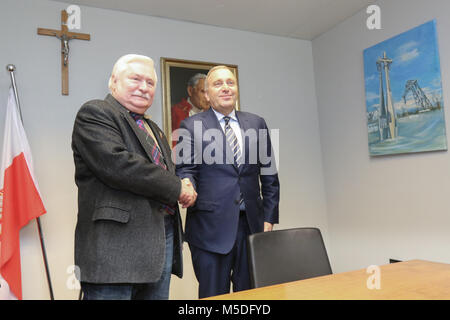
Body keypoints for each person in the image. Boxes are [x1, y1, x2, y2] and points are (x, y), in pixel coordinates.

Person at [71, 54, 196, 300]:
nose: (144, 87)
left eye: (150, 83)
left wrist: (184, 182)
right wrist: (177, 187)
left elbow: (163, 172)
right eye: (135, 79)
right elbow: (119, 165)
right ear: (113, 82)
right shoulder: (96, 112)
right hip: (114, 251)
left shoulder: (153, 128)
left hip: (160, 241)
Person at [175, 66, 280, 298]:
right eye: (217, 84)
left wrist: (269, 218)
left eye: (230, 83)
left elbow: (270, 176)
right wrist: (187, 184)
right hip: (209, 229)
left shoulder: (257, 123)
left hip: (251, 226)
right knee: (214, 297)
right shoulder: (190, 126)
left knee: (251, 296)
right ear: (207, 94)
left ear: (236, 90)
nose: (225, 87)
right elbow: (185, 169)